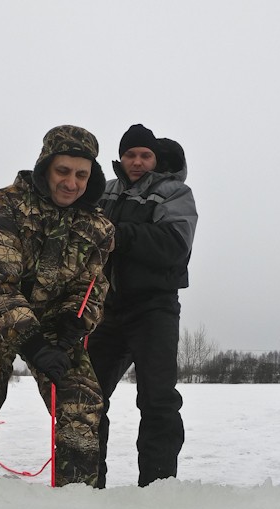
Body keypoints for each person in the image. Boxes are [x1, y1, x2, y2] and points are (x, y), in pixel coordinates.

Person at [0, 125, 114, 486]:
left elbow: (91, 287)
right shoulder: (5, 205)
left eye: (82, 175)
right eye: (63, 171)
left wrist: (72, 328)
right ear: (45, 167)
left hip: (55, 330)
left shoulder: (98, 226)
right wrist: (33, 345)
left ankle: (77, 502)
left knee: (83, 403)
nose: (71, 183)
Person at [87, 124, 198, 487]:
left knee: (158, 401)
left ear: (155, 159)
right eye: (130, 154)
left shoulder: (174, 193)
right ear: (120, 157)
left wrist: (116, 233)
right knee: (86, 399)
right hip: (104, 309)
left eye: (145, 155)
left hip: (154, 309)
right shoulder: (101, 191)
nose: (137, 161)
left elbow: (173, 244)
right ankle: (85, 486)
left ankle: (157, 492)